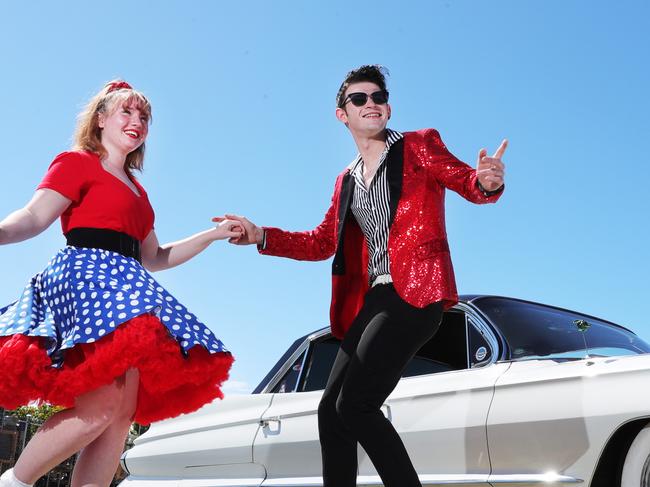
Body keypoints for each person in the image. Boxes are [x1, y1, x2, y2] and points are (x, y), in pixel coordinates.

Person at [217, 65, 507, 487]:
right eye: (359, 99)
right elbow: (321, 242)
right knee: (330, 412)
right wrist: (262, 236)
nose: (371, 103)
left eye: (378, 97)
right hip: (375, 300)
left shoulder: (419, 145)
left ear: (388, 108)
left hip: (417, 293)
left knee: (356, 405)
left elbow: (466, 182)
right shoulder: (346, 181)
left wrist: (487, 183)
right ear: (343, 114)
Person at [0, 80, 240, 487]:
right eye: (126, 112)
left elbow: (154, 257)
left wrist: (211, 236)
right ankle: (15, 482)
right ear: (100, 120)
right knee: (101, 405)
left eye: (144, 116)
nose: (137, 121)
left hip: (129, 290)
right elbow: (34, 216)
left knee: (119, 418)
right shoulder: (77, 162)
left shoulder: (139, 193)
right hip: (88, 283)